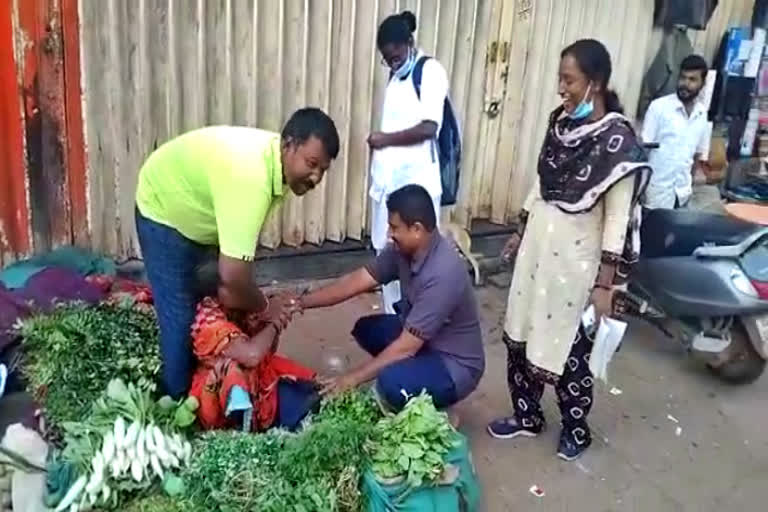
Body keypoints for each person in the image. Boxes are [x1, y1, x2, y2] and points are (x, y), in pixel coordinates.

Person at [487, 40, 651, 461]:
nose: (561, 88)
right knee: (520, 333)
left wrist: (605, 284)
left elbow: (617, 218)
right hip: (538, 251)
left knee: (568, 347)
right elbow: (539, 183)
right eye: (560, 77)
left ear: (594, 83)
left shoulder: (618, 142)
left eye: (569, 79)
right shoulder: (559, 123)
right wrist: (521, 229)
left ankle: (576, 429)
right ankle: (527, 416)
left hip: (576, 264)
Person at [135, 107, 340, 398]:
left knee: (224, 300)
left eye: (323, 170)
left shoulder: (277, 167)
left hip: (198, 211)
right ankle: (174, 401)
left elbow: (233, 284)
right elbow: (233, 279)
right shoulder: (251, 178)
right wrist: (268, 309)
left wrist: (258, 307)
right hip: (162, 210)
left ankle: (204, 376)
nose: (316, 177)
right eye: (311, 163)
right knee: (179, 319)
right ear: (288, 145)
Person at [291, 184, 484, 411]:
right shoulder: (402, 251)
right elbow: (356, 281)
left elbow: (406, 347)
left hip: (454, 365)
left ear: (417, 229)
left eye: (394, 228)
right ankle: (414, 376)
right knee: (368, 329)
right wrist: (301, 302)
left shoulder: (443, 274)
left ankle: (438, 405)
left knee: (391, 383)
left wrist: (350, 379)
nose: (389, 235)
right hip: (426, 342)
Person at [368, 10, 450, 314]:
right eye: (387, 60)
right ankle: (394, 319)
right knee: (387, 254)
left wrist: (384, 139)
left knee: (418, 257)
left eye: (397, 57)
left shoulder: (430, 72)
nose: (393, 64)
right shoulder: (396, 78)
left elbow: (430, 127)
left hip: (416, 186)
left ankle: (421, 322)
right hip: (389, 184)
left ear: (410, 42)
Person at [642, 54, 711, 209]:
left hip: (682, 194)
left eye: (692, 80)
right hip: (655, 194)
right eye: (683, 78)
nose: (685, 84)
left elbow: (698, 155)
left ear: (702, 83)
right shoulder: (659, 107)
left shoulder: (701, 114)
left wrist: (691, 186)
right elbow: (643, 151)